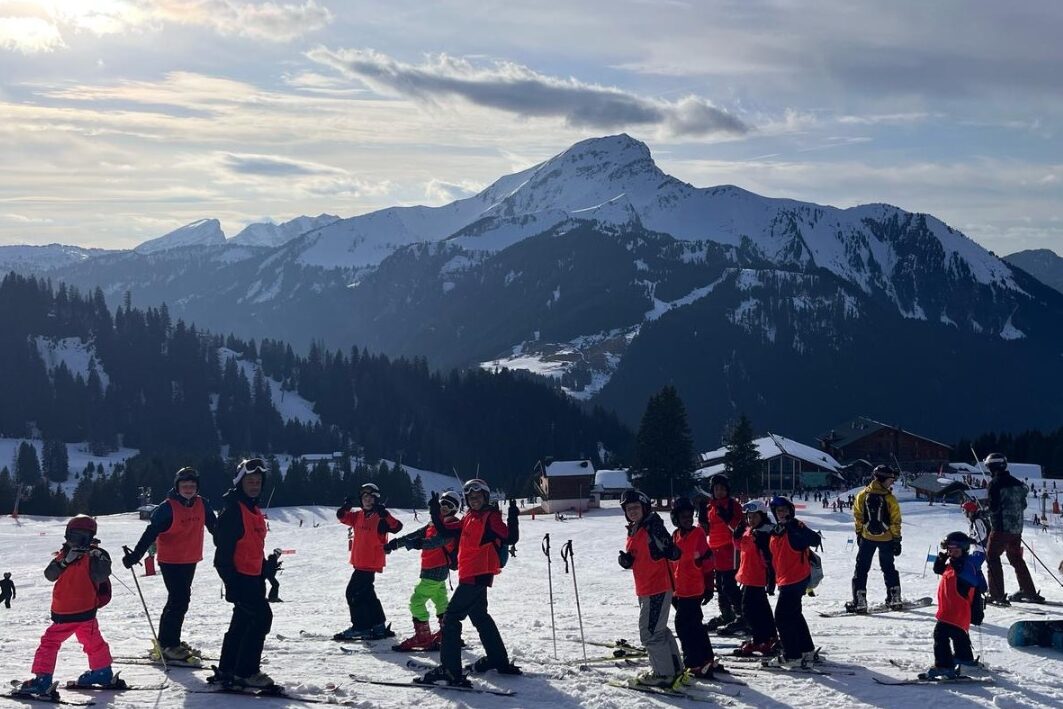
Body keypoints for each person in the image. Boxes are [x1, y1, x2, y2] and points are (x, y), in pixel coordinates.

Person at [417, 479, 520, 688]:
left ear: (485, 497)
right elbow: (446, 532)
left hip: (476, 575)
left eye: (478, 496)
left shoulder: (490, 516)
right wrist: (435, 512)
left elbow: (510, 538)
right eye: (471, 498)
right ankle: (497, 659)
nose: (474, 500)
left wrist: (512, 516)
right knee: (480, 617)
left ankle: (450, 670)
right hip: (471, 575)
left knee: (450, 618)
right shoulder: (469, 517)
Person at [123, 466, 217, 662]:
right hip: (171, 561)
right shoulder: (167, 508)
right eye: (185, 486)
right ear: (177, 487)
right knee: (179, 599)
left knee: (178, 600)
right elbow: (150, 533)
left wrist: (229, 545)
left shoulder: (203, 504)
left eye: (192, 486)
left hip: (190, 559)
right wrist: (136, 555)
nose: (188, 489)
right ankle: (169, 644)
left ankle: (168, 641)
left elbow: (215, 528)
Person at [17, 515, 114, 696]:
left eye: (84, 537)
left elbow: (102, 574)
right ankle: (102, 671)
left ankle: (42, 680)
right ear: (67, 535)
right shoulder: (64, 554)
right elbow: (50, 575)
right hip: (84, 612)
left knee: (50, 642)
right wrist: (65, 561)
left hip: (69, 611)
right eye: (74, 536)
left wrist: (98, 556)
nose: (78, 541)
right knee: (92, 640)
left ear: (91, 537)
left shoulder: (93, 555)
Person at [212, 458, 273, 689]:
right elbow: (222, 555)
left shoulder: (251, 508)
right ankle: (246, 672)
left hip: (253, 577)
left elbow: (251, 544)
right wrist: (232, 584)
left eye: (258, 481)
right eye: (250, 481)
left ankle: (228, 668)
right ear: (240, 483)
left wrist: (265, 567)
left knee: (242, 621)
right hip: (241, 578)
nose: (255, 485)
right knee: (261, 618)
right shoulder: (233, 511)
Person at [616, 488, 684, 688]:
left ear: (644, 507)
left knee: (650, 633)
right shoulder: (636, 528)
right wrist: (627, 561)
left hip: (656, 587)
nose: (632, 511)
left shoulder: (652, 526)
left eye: (636, 507)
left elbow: (672, 552)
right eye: (629, 508)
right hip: (647, 587)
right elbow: (643, 556)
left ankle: (663, 674)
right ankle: (674, 669)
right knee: (658, 630)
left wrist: (669, 547)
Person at [386, 490, 463, 651]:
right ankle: (447, 633)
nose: (445, 507)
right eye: (442, 503)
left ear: (455, 509)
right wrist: (396, 544)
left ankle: (423, 638)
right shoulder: (435, 523)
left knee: (417, 601)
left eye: (449, 505)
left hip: (435, 569)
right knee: (440, 600)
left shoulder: (452, 525)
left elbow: (435, 542)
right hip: (432, 568)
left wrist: (417, 544)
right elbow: (416, 534)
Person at [334, 483, 404, 640]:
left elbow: (397, 527)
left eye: (371, 497)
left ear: (376, 499)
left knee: (353, 593)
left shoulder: (380, 517)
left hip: (370, 562)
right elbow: (342, 516)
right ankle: (378, 625)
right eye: (364, 497)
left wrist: (385, 514)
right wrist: (346, 506)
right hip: (360, 562)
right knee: (367, 594)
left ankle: (361, 627)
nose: (367, 500)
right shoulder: (358, 516)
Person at [765, 496, 821, 669]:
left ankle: (792, 655)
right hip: (786, 579)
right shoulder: (777, 531)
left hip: (795, 580)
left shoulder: (795, 528)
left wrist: (795, 526)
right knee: (795, 615)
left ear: (791, 511)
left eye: (784, 510)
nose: (781, 513)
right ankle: (806, 649)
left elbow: (815, 540)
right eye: (778, 511)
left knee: (782, 617)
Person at [668, 496, 719, 678]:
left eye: (690, 516)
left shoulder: (698, 534)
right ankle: (706, 658)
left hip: (693, 588)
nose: (688, 520)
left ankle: (694, 662)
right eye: (684, 517)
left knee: (683, 625)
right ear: (676, 518)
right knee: (695, 624)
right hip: (679, 589)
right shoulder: (675, 536)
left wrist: (709, 586)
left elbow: (707, 561)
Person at [983, 454, 1043, 605]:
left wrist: (981, 512)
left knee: (992, 557)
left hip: (1000, 529)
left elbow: (994, 508)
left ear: (992, 467)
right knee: (1016, 558)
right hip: (1016, 529)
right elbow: (1023, 505)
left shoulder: (994, 484)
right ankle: (1028, 591)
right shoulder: (1017, 483)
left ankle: (996, 595)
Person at [926, 532, 987, 679]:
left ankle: (944, 666)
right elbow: (939, 570)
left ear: (964, 550)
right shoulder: (953, 564)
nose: (952, 553)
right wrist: (941, 561)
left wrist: (961, 569)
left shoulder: (965, 566)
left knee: (940, 634)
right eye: (950, 550)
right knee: (958, 635)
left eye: (956, 550)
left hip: (955, 611)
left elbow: (973, 581)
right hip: (953, 612)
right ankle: (964, 658)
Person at [849, 465, 903, 612]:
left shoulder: (862, 495)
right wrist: (897, 539)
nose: (892, 483)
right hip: (887, 539)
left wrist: (859, 533)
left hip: (867, 538)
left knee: (861, 569)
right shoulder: (890, 498)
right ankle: (895, 598)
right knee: (888, 568)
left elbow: (858, 516)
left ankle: (860, 601)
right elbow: (896, 520)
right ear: (883, 479)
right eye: (890, 480)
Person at [700, 474, 745, 633]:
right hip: (715, 549)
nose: (719, 492)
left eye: (722, 489)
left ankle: (742, 616)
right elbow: (706, 531)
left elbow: (740, 529)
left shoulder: (733, 505)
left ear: (727, 490)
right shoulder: (710, 506)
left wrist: (728, 519)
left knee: (729, 584)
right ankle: (727, 614)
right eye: (716, 489)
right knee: (719, 585)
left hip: (730, 548)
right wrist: (702, 521)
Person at [733, 500, 779, 657]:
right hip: (748, 575)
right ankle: (770, 636)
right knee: (761, 608)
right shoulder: (751, 530)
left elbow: (769, 559)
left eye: (754, 517)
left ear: (762, 516)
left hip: (757, 576)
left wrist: (771, 579)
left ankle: (760, 639)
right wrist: (736, 535)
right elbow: (741, 547)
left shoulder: (763, 533)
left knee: (749, 609)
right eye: (749, 517)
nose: (750, 520)